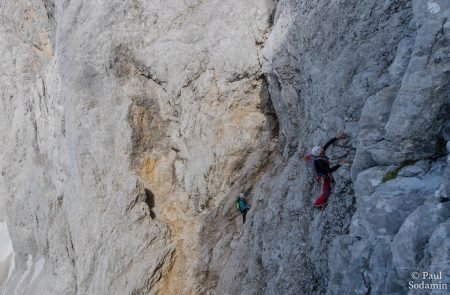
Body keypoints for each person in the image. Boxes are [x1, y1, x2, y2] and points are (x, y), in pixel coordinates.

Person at [311, 131, 348, 209]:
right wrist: (339, 164)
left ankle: (321, 203)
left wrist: (336, 138)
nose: (323, 150)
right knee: (326, 191)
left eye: (321, 149)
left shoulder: (320, 155)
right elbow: (329, 170)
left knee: (328, 189)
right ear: (318, 153)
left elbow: (327, 145)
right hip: (323, 177)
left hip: (324, 175)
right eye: (321, 150)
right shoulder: (319, 161)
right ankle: (316, 204)